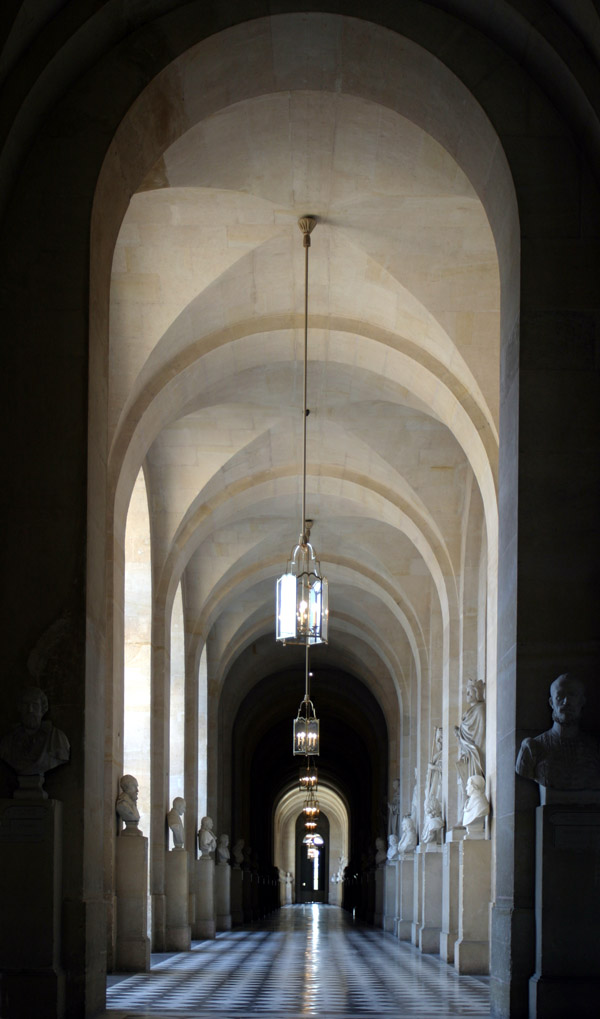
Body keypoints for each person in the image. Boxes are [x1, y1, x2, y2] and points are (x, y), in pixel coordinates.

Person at [516, 674, 600, 790]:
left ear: (582, 702)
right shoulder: (532, 749)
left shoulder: (594, 748)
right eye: (560, 696)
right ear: (551, 703)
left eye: (572, 695)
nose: (566, 702)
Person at [0, 686, 70, 776]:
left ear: (43, 709)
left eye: (35, 705)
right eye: (26, 705)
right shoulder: (7, 742)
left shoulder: (57, 739)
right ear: (19, 708)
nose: (30, 710)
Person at [455, 679, 486, 817]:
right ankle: (465, 812)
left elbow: (480, 736)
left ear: (477, 692)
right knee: (463, 785)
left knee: (471, 784)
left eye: (470, 691)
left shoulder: (480, 711)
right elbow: (467, 734)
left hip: (474, 755)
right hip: (466, 754)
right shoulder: (470, 712)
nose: (467, 694)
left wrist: (468, 746)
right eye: (466, 691)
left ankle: (469, 811)